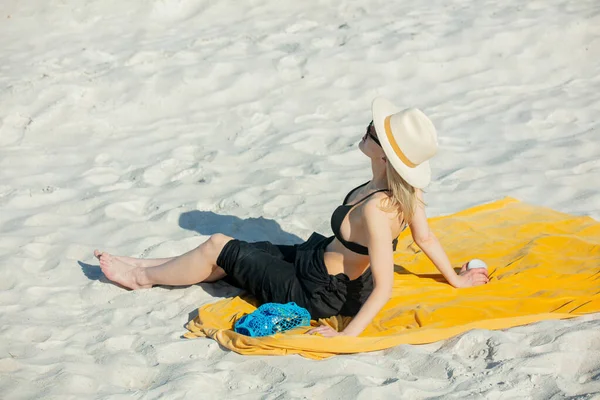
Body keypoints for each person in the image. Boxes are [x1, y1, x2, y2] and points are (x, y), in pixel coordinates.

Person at [94, 97, 489, 337]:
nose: (366, 131)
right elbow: (426, 239)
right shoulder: (407, 192)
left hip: (315, 293)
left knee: (219, 245)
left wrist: (346, 339)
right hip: (315, 261)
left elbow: (383, 286)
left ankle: (140, 278)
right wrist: (455, 279)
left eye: (373, 132)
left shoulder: (376, 209)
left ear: (385, 155)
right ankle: (145, 264)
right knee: (244, 250)